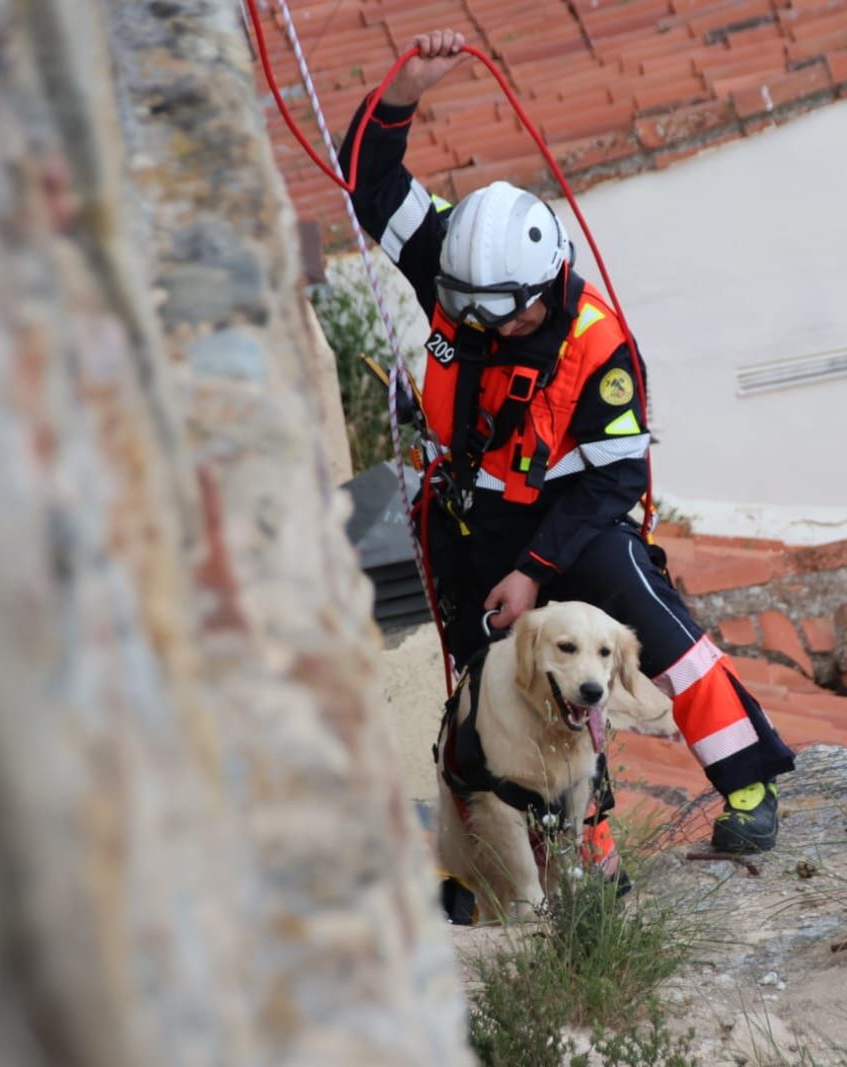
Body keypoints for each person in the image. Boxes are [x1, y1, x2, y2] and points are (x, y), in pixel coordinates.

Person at [340, 29, 794, 854]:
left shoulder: (597, 345)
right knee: (498, 685)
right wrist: (406, 88)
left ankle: (748, 781)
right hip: (475, 518)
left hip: (574, 519)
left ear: (545, 283)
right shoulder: (454, 263)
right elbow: (370, 182)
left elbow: (614, 481)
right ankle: (580, 853)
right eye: (474, 316)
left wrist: (533, 570)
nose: (490, 330)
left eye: (507, 317)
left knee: (657, 629)